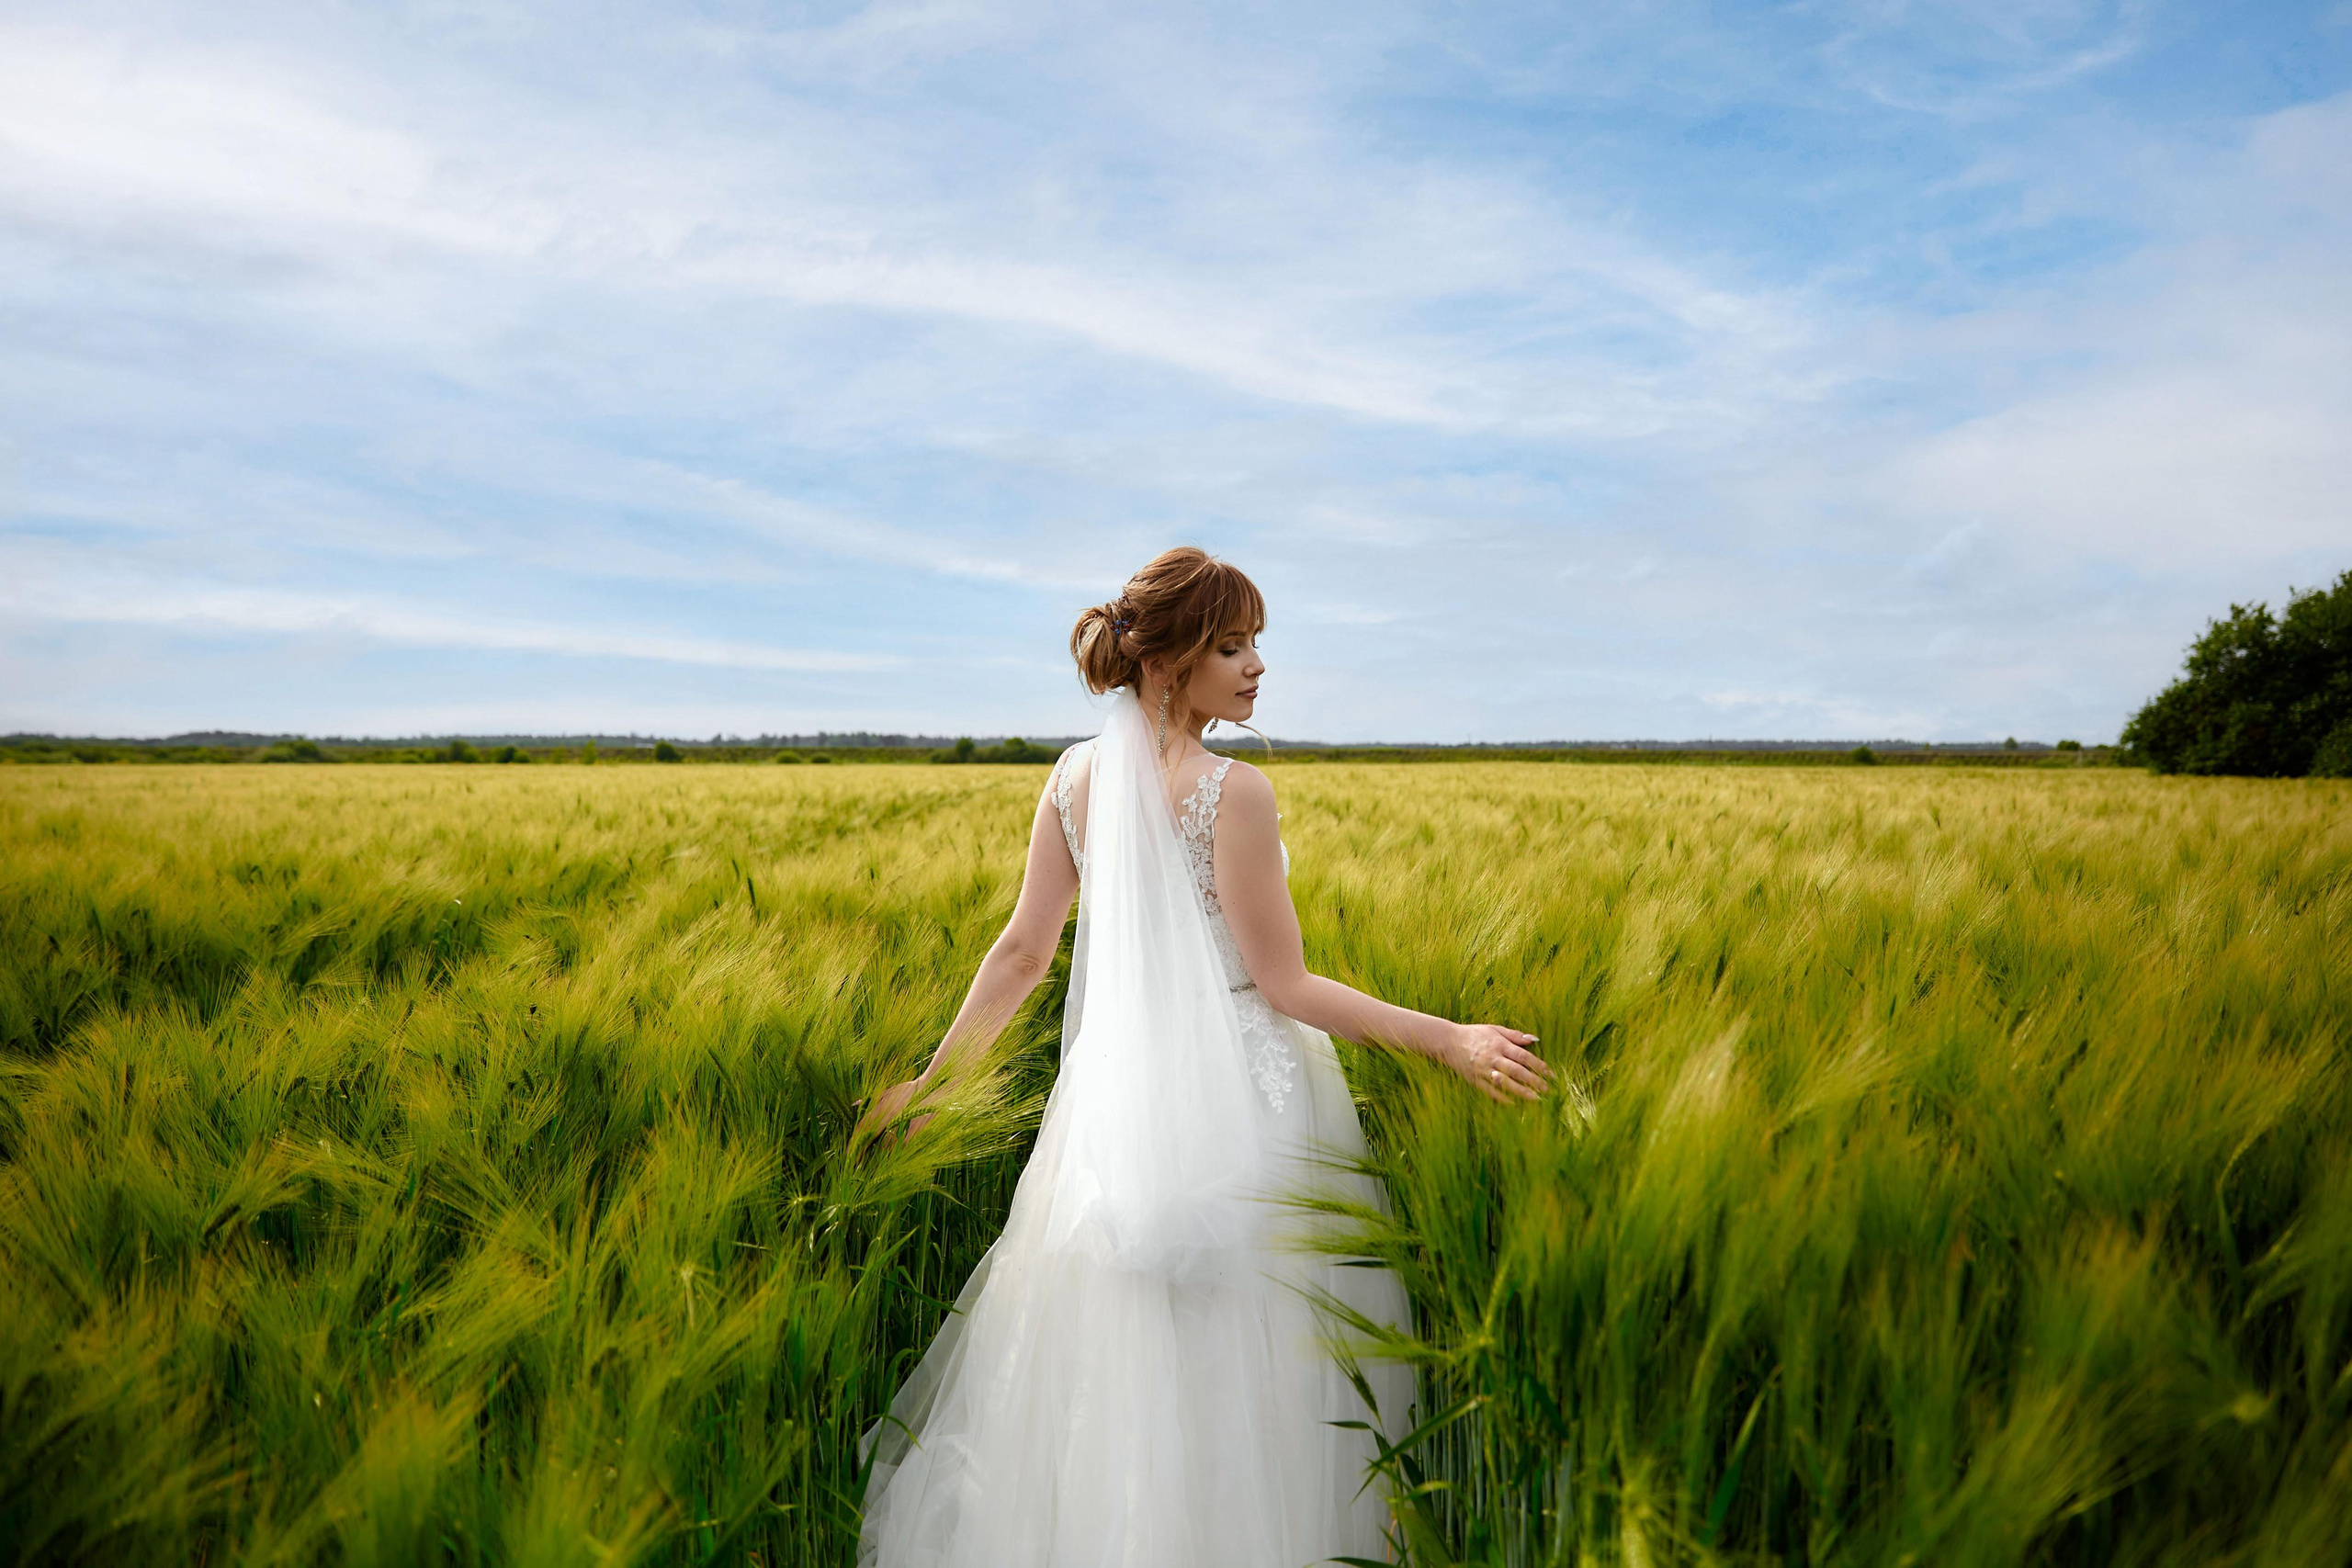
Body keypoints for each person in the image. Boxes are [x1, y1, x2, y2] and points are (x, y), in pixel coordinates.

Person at [854, 547, 1549, 1567]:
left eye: (1256, 643)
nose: (1256, 666)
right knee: (1259, 1357)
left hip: (1113, 1101)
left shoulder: (1073, 776)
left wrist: (935, 1082)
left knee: (1117, 1347)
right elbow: (1286, 987)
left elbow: (1021, 954)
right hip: (1248, 1096)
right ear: (1169, 661)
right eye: (1231, 646)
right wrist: (1446, 1038)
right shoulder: (1236, 791)